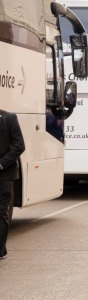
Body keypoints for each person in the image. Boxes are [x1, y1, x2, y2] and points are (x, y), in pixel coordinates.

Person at [0, 109, 25, 259]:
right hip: (5, 174)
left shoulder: (9, 117)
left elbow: (19, 145)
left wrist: (1, 164)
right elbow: (18, 145)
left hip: (4, 176)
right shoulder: (9, 117)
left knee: (1, 212)